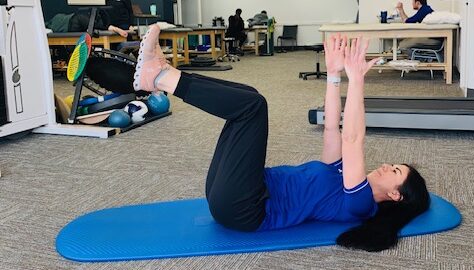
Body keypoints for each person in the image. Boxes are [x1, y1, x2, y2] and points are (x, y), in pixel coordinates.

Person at [133, 24, 431, 252]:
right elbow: (333, 130)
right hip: (233, 195)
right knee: (249, 97)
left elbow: (353, 138)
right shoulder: (341, 175)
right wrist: (334, 75)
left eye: (395, 172)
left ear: (396, 195)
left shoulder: (361, 202)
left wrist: (357, 80)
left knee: (252, 108)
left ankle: (158, 77)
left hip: (245, 208)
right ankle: (166, 72)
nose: (386, 166)